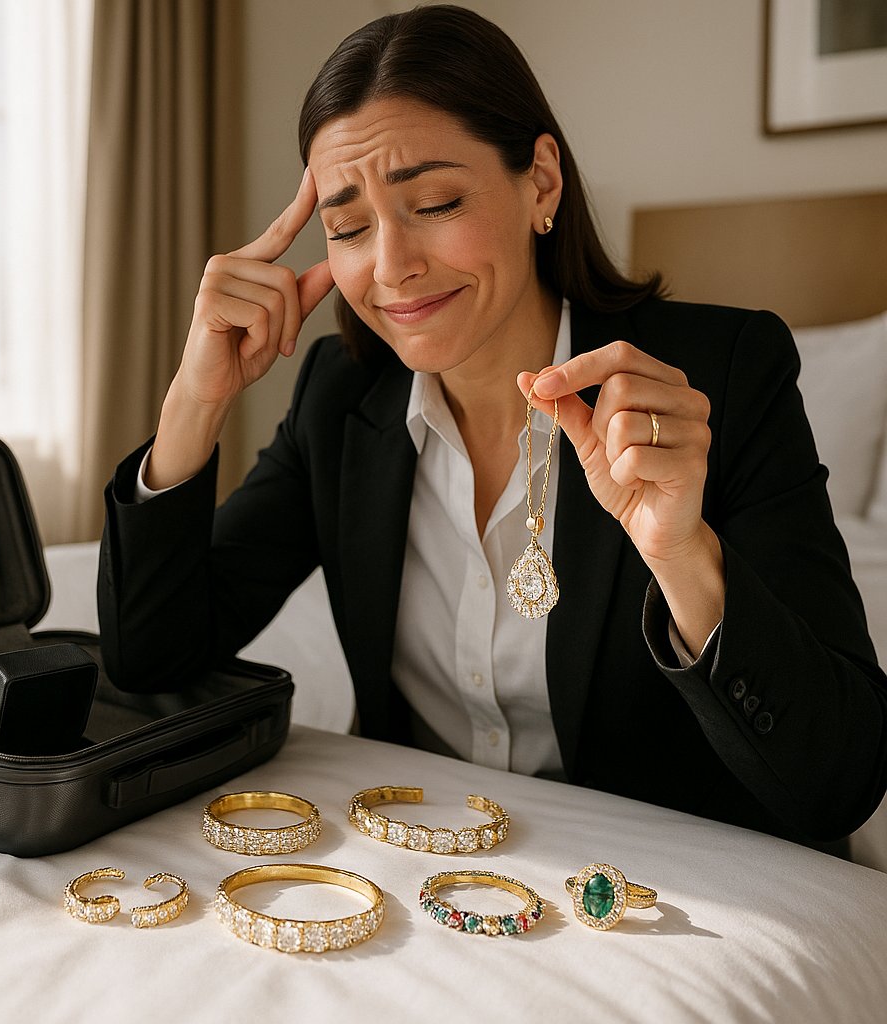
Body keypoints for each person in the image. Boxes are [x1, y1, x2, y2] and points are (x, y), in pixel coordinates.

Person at [97, 4, 887, 848]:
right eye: (348, 227)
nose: (391, 265)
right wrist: (195, 399)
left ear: (540, 182)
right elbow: (153, 661)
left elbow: (838, 784)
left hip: (657, 893)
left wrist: (680, 553)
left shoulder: (719, 376)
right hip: (414, 875)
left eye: (433, 202)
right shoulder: (341, 397)